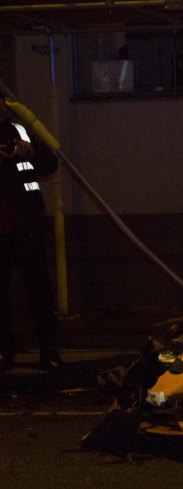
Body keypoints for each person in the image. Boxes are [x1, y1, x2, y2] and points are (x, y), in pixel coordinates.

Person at [0, 99, 61, 372]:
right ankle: (5, 351)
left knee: (39, 291)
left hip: (27, 224)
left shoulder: (19, 130)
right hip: (4, 225)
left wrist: (30, 151)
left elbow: (50, 163)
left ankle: (48, 352)